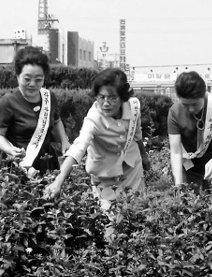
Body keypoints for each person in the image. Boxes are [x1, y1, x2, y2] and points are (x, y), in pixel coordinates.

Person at [44, 68, 150, 209]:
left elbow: (136, 133)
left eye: (112, 97)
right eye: (101, 97)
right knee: (109, 220)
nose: (106, 103)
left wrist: (144, 156)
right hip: (105, 176)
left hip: (132, 169)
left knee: (137, 212)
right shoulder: (94, 119)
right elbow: (79, 147)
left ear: (123, 97)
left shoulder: (134, 105)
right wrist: (59, 180)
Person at [0, 47, 70, 176]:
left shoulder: (49, 97)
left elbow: (56, 121)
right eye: (27, 79)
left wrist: (64, 141)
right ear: (18, 76)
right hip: (17, 165)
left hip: (46, 163)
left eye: (38, 79)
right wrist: (10, 150)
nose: (32, 84)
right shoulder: (7, 102)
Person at [167, 71, 212, 192]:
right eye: (185, 104)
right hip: (190, 167)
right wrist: (179, 185)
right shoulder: (174, 112)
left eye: (195, 104)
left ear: (204, 95)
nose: (191, 109)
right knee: (190, 205)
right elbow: (175, 152)